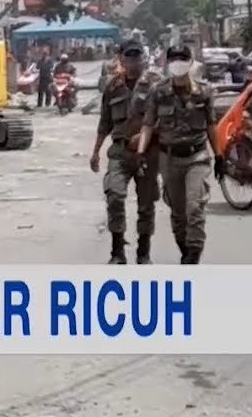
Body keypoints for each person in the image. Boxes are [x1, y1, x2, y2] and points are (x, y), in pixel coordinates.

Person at [138, 45, 223, 264]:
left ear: (190, 61)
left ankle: (193, 254)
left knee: (194, 207)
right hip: (170, 158)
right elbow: (148, 124)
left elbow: (212, 125)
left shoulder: (204, 91)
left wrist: (220, 156)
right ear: (167, 62)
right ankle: (185, 250)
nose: (178, 63)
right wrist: (141, 152)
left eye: (182, 58)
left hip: (197, 157)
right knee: (178, 212)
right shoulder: (158, 91)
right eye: (174, 59)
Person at [90, 40, 161, 263]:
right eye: (129, 58)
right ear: (121, 60)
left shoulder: (156, 85)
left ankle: (143, 251)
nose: (133, 62)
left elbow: (168, 117)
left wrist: (148, 134)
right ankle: (117, 251)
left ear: (144, 58)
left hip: (148, 153)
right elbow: (105, 122)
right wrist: (95, 152)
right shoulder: (113, 87)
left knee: (146, 203)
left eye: (137, 57)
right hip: (120, 152)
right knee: (114, 196)